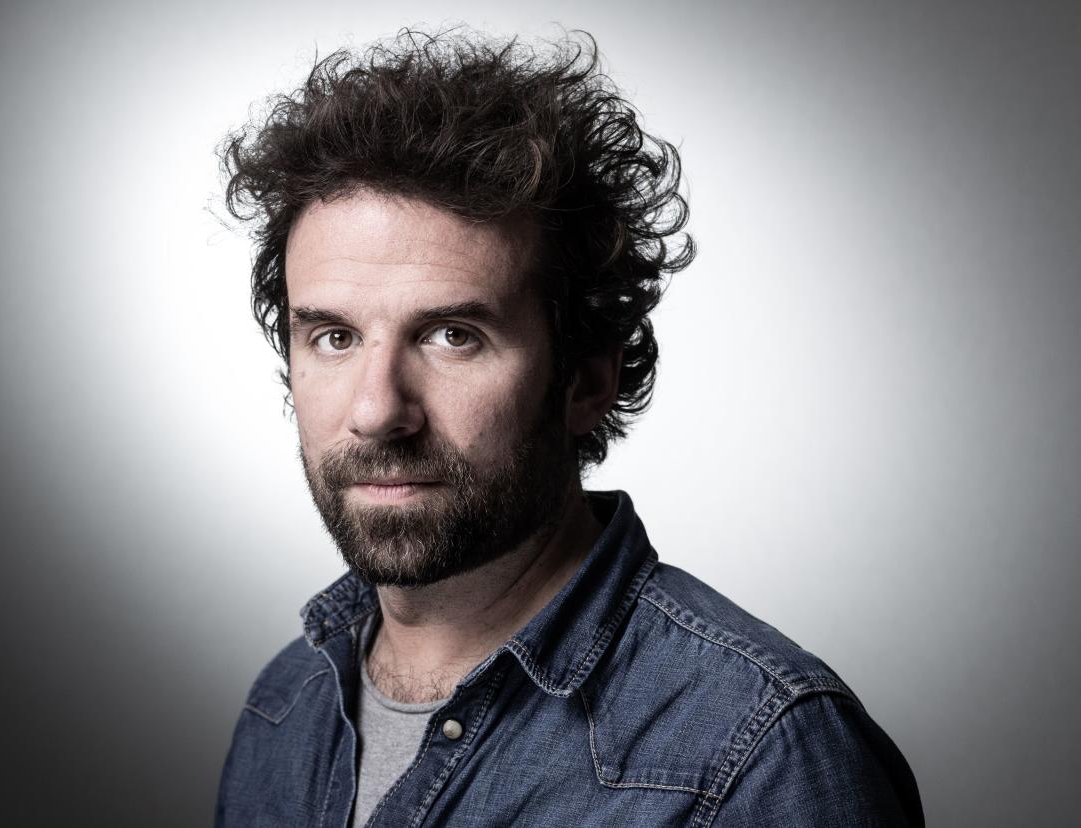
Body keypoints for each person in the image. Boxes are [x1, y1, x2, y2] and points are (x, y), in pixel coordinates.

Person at [215, 29, 924, 827]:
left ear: (586, 378)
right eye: (334, 337)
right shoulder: (287, 705)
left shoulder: (761, 755)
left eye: (453, 336)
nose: (377, 409)